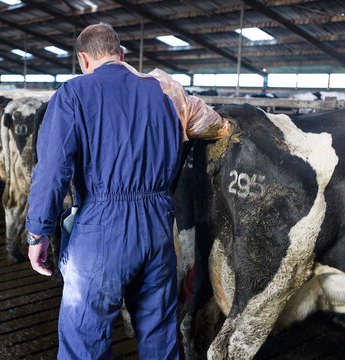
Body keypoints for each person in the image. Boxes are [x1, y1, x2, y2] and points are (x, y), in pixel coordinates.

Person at [25, 22, 227, 360]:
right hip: (160, 227)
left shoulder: (74, 93)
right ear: (121, 55)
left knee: (84, 339)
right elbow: (214, 125)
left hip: (102, 226)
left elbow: (52, 169)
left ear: (83, 60)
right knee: (161, 335)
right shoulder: (164, 92)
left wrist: (38, 232)